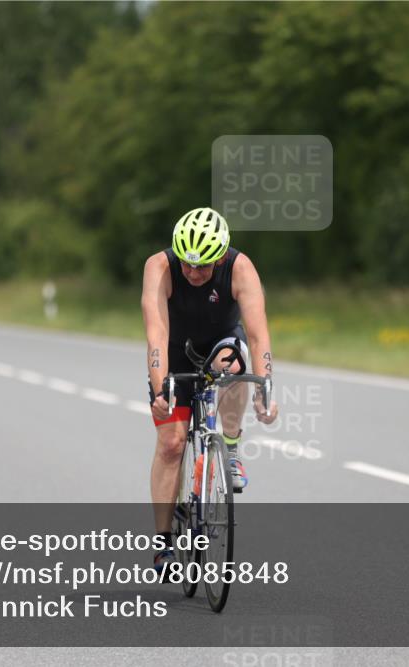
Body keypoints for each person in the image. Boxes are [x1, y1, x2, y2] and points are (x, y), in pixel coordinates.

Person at [141, 207, 279, 573]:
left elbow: (258, 334)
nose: (192, 272)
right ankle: (163, 544)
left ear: (220, 257)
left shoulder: (240, 268)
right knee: (171, 444)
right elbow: (156, 334)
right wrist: (161, 390)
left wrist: (265, 389)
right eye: (186, 264)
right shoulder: (159, 267)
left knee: (235, 363)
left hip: (221, 343)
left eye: (202, 266)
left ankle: (229, 447)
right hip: (175, 351)